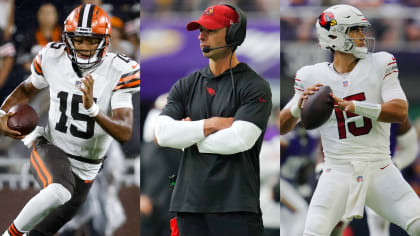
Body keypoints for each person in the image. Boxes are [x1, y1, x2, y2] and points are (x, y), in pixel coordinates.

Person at [280, 4, 420, 236]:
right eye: (355, 30)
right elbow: (284, 126)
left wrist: (354, 106)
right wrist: (298, 107)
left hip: (379, 166)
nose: (362, 36)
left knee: (416, 223)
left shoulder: (381, 62)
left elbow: (400, 111)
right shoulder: (310, 75)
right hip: (336, 170)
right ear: (334, 36)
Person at [0, 3, 139, 236]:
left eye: (92, 40)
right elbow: (26, 90)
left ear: (105, 40)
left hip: (88, 169)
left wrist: (93, 109)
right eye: (78, 39)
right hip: (50, 147)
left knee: (42, 231)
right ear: (67, 38)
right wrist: (2, 114)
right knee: (60, 191)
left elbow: (124, 132)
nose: (84, 47)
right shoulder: (52, 56)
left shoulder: (120, 70)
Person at [154, 3, 272, 236]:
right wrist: (210, 125)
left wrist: (187, 135)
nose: (201, 36)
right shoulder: (186, 84)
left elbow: (239, 139)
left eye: (210, 30)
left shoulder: (255, 86)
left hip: (235, 206)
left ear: (233, 33)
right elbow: (161, 134)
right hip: (188, 206)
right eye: (200, 30)